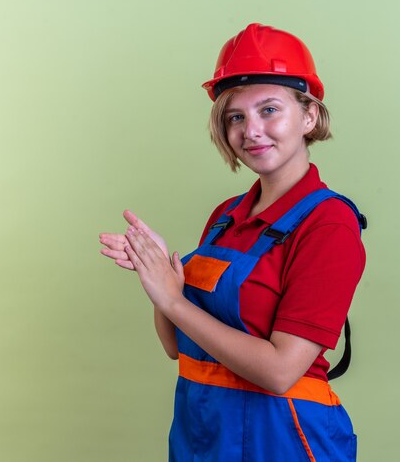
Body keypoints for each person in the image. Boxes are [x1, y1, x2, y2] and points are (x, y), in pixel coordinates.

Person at [99, 23, 366, 462]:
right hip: (202, 434)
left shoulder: (328, 224)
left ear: (309, 116)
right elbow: (175, 345)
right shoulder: (226, 216)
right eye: (235, 117)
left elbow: (281, 371)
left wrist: (174, 301)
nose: (251, 130)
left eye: (269, 110)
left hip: (282, 439)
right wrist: (159, 280)